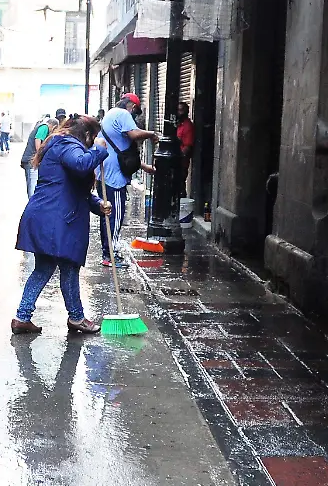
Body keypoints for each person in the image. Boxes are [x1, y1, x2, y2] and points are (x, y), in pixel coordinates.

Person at [12, 116, 112, 335]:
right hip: (57, 219)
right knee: (68, 267)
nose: (92, 142)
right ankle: (76, 318)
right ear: (86, 135)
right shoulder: (67, 144)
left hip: (51, 215)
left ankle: (22, 317)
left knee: (45, 268)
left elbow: (75, 188)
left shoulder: (59, 144)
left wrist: (98, 204)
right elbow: (81, 164)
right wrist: (99, 150)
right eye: (92, 138)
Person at [97, 93, 160, 268]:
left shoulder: (111, 114)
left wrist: (145, 167)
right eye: (136, 112)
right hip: (114, 177)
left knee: (108, 214)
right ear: (131, 106)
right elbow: (133, 135)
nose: (134, 116)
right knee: (114, 216)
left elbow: (123, 151)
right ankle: (109, 255)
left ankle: (108, 252)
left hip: (106, 172)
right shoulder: (123, 114)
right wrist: (151, 134)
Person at [19, 115, 57, 198]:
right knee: (32, 186)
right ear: (54, 127)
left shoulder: (41, 126)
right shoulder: (44, 127)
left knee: (31, 185)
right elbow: (38, 139)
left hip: (29, 160)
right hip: (31, 160)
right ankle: (32, 206)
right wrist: (39, 155)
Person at [175, 102, 195, 205]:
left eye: (181, 110)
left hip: (181, 163)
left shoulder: (187, 126)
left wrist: (178, 159)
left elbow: (187, 147)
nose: (179, 113)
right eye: (178, 110)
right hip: (175, 162)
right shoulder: (178, 124)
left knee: (180, 186)